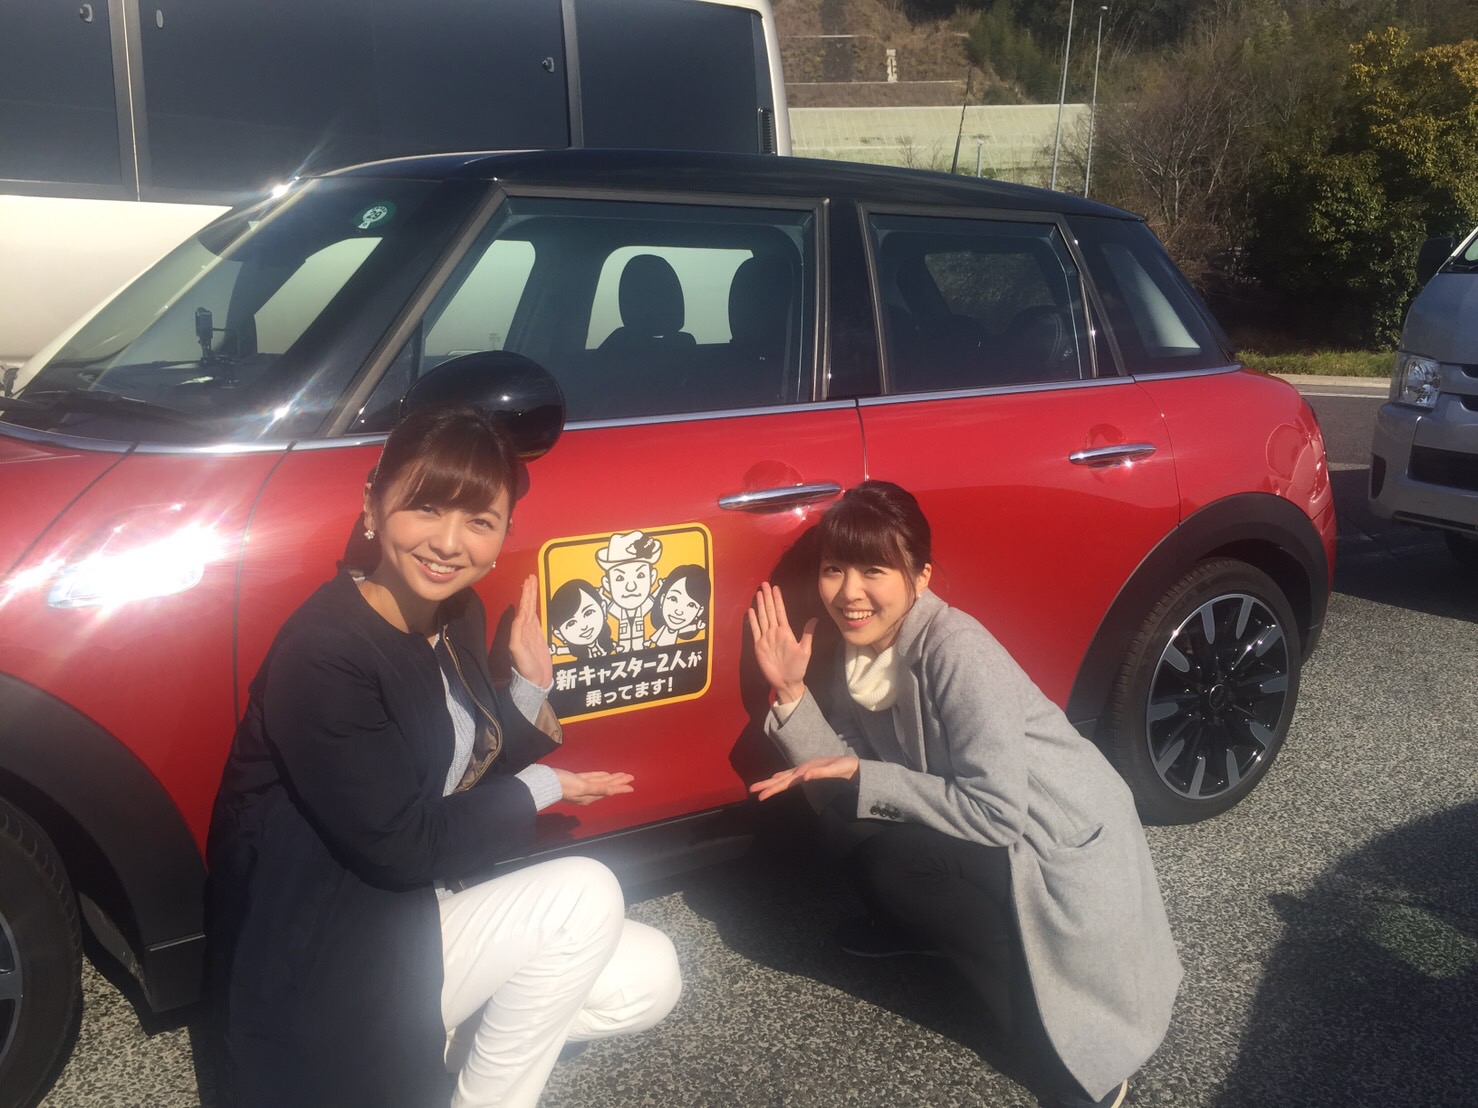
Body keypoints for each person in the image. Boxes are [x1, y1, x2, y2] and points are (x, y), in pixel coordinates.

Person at [207, 404, 681, 1108]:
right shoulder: (325, 653)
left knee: (649, 976)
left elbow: (457, 767)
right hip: (330, 954)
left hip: (418, 916)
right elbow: (402, 841)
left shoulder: (457, 614)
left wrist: (529, 688)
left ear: (505, 533)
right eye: (425, 508)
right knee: (586, 892)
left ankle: (447, 1042)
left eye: (479, 521)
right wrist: (544, 787)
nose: (449, 543)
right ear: (373, 503)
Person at [746, 481, 1181, 1108]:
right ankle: (925, 931)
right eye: (834, 569)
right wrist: (791, 692)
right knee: (846, 824)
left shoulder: (957, 650)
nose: (849, 592)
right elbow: (837, 769)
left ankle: (1068, 1048)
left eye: (874, 570)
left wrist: (863, 777)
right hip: (986, 816)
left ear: (920, 577)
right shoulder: (857, 649)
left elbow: (997, 814)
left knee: (894, 860)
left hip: (1056, 838)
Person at [646, 564, 710, 648]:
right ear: (662, 599)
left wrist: (697, 627)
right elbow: (656, 635)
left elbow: (689, 628)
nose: (679, 611)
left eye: (691, 605)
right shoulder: (663, 628)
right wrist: (650, 641)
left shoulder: (679, 630)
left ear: (700, 611)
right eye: (673, 599)